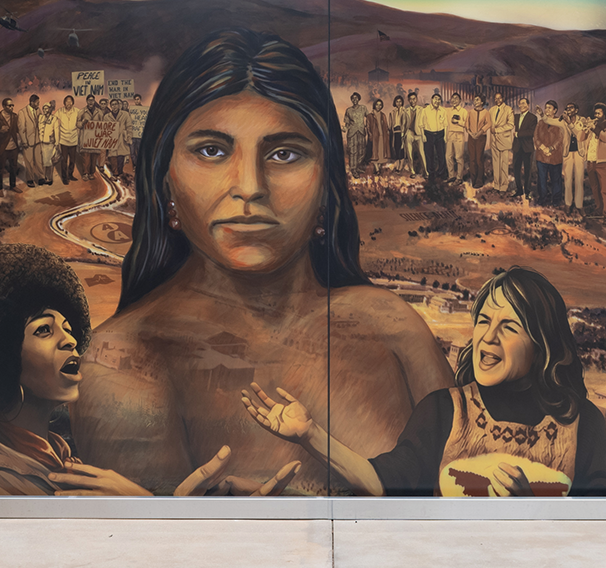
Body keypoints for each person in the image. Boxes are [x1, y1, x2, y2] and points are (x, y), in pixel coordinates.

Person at [72, 28, 452, 495]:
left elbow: (469, 515)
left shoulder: (394, 327)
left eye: (284, 153)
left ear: (326, 185)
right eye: (212, 150)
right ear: (164, 179)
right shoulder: (125, 360)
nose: (250, 186)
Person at [0, 244, 299, 496]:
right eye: (44, 330)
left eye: (68, 328)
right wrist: (148, 510)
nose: (69, 341)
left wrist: (200, 506)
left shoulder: (53, 454)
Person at [244, 267, 606, 496]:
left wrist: (532, 512)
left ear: (542, 343)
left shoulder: (583, 424)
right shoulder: (443, 411)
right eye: (484, 321)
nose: (488, 337)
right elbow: (383, 483)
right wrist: (309, 434)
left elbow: (602, 533)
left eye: (509, 327)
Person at [533, 102, 566, 207]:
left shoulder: (559, 122)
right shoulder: (541, 122)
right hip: (541, 156)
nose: (547, 110)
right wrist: (542, 147)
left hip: (555, 157)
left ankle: (556, 200)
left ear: (555, 110)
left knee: (556, 179)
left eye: (549, 108)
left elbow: (560, 139)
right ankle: (542, 198)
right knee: (542, 179)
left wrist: (551, 149)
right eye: (545, 108)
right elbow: (536, 136)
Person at [510, 97, 538, 199]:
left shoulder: (533, 118)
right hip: (517, 147)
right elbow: (508, 119)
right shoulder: (516, 117)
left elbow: (532, 132)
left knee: (528, 171)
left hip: (527, 148)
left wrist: (518, 134)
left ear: (528, 105)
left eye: (523, 103)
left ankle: (527, 192)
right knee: (516, 170)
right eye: (519, 104)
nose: (521, 105)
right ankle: (519, 190)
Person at [0, 97, 22, 192]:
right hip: (2, 148)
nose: (12, 107)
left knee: (13, 167)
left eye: (12, 105)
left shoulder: (15, 116)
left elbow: (18, 129)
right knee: (1, 169)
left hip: (13, 147)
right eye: (9, 105)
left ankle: (13, 186)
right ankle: (0, 188)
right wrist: (0, 131)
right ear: (4, 106)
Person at [561, 103, 584, 217]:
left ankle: (579, 205)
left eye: (571, 108)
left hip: (579, 153)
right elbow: (552, 121)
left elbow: (579, 134)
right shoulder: (563, 121)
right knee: (568, 179)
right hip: (568, 153)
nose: (569, 110)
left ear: (576, 110)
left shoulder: (582, 120)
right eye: (567, 108)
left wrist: (569, 123)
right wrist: (542, 115)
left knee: (579, 179)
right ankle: (568, 204)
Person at [489, 92, 514, 192]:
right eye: (495, 98)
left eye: (499, 98)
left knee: (503, 164)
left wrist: (497, 130)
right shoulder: (491, 110)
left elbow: (511, 125)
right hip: (493, 140)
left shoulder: (508, 109)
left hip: (504, 140)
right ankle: (496, 185)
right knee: (495, 164)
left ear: (503, 98)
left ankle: (503, 186)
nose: (497, 100)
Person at [18, 94, 45, 186]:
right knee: (29, 161)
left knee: (39, 160)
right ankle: (30, 179)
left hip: (38, 140)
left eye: (39, 103)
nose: (38, 104)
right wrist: (24, 141)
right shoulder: (22, 112)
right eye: (37, 103)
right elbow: (21, 128)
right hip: (27, 141)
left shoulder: (38, 110)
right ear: (31, 102)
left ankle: (41, 177)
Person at [54, 94, 82, 185]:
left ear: (73, 103)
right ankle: (64, 178)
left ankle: (70, 175)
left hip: (73, 139)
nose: (68, 103)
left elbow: (82, 120)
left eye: (70, 101)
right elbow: (54, 121)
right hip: (63, 139)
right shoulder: (60, 111)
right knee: (64, 160)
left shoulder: (77, 111)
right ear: (64, 103)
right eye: (67, 101)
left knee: (73, 160)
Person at [421, 92, 449, 181]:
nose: (437, 101)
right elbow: (421, 124)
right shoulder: (425, 110)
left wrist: (445, 136)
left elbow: (445, 125)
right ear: (431, 100)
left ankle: (441, 173)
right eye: (435, 99)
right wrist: (423, 136)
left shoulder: (443, 110)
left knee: (441, 154)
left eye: (439, 99)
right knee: (429, 155)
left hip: (440, 134)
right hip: (428, 134)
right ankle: (431, 173)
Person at [465, 94, 489, 187]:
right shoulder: (470, 112)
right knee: (472, 159)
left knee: (479, 159)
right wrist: (471, 134)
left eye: (477, 100)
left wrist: (479, 133)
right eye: (475, 100)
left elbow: (488, 124)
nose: (475, 101)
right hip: (471, 137)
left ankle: (479, 181)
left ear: (482, 102)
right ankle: (473, 180)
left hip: (481, 137)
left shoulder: (486, 112)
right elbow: (467, 125)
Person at [344, 92, 369, 177]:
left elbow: (369, 118)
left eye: (356, 98)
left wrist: (368, 125)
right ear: (351, 100)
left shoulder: (363, 108)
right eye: (353, 98)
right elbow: (347, 123)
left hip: (361, 132)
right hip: (352, 133)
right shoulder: (348, 110)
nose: (355, 100)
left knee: (362, 151)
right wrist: (344, 128)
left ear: (359, 99)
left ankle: (357, 166)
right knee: (353, 151)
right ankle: (353, 169)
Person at [444, 93, 468, 181]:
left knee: (458, 157)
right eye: (452, 98)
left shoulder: (463, 111)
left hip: (459, 135)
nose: (454, 100)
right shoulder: (448, 111)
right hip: (450, 135)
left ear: (460, 100)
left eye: (456, 98)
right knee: (448, 156)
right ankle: (451, 176)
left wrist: (458, 122)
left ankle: (459, 178)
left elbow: (467, 124)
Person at [366, 97, 391, 175]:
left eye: (380, 105)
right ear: (374, 105)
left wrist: (387, 134)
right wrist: (370, 135)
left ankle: (378, 168)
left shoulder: (383, 115)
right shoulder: (370, 115)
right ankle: (376, 169)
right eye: (377, 105)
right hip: (375, 137)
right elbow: (368, 126)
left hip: (382, 136)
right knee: (375, 154)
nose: (378, 106)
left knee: (381, 154)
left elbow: (386, 126)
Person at [403, 91, 425, 176]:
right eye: (411, 99)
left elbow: (424, 122)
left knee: (422, 153)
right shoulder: (406, 111)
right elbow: (404, 123)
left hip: (419, 133)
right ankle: (412, 171)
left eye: (414, 99)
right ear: (408, 100)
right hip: (409, 132)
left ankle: (425, 171)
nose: (412, 101)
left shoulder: (421, 109)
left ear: (416, 99)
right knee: (410, 154)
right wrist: (403, 134)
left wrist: (423, 134)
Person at [388, 94, 407, 172]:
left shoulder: (405, 111)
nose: (398, 103)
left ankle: (401, 166)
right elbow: (390, 123)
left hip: (402, 132)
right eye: (397, 102)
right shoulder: (392, 112)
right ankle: (397, 165)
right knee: (396, 148)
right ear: (395, 102)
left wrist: (404, 132)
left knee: (402, 149)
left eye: (400, 102)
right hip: (394, 132)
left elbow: (406, 122)